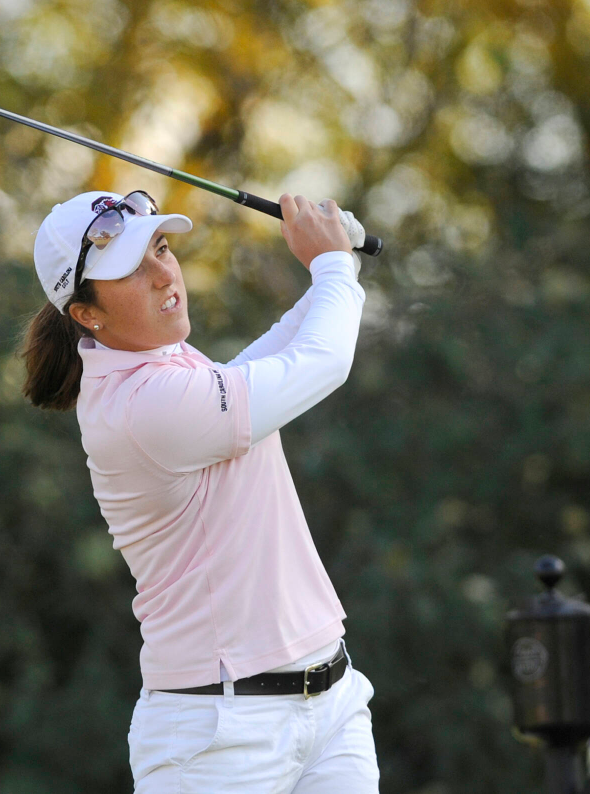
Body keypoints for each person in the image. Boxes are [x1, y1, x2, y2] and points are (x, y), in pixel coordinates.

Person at [21, 189, 380, 793]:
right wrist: (330, 265)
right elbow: (320, 364)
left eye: (161, 248)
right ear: (86, 314)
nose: (165, 274)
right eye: (131, 269)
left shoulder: (169, 367)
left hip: (331, 703)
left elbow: (276, 359)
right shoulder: (142, 404)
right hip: (218, 737)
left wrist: (339, 268)